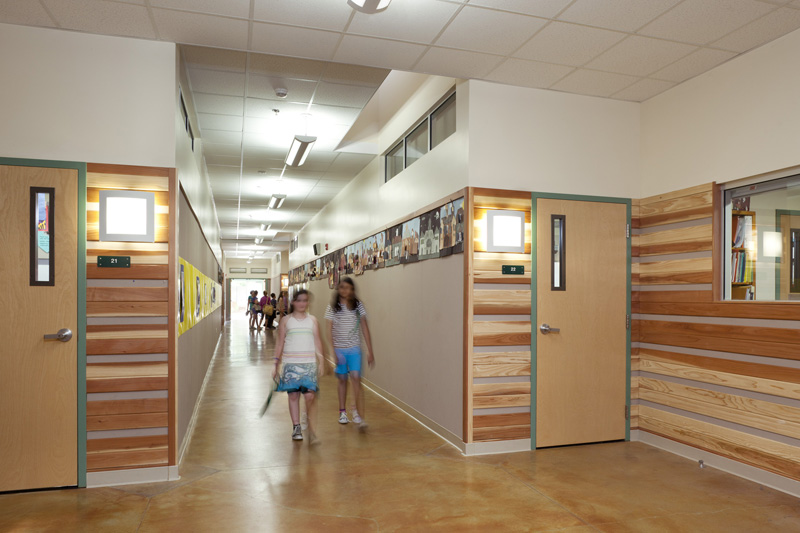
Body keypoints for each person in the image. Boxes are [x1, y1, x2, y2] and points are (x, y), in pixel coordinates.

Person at [273, 290, 324, 442]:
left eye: (305, 301)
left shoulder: (313, 320)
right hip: (291, 364)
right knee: (294, 395)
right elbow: (280, 343)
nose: (302, 304)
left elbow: (317, 341)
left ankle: (307, 420)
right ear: (293, 302)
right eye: (299, 300)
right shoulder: (286, 321)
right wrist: (276, 363)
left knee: (309, 396)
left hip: (309, 364)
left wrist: (321, 360)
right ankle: (296, 426)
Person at [324, 277, 375, 430]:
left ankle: (357, 412)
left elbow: (365, 328)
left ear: (352, 290)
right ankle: (342, 412)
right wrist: (333, 352)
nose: (345, 290)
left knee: (356, 379)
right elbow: (329, 331)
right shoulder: (333, 307)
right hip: (340, 351)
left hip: (355, 350)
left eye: (348, 288)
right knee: (342, 381)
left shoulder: (358, 306)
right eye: (342, 287)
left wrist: (370, 351)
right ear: (338, 289)